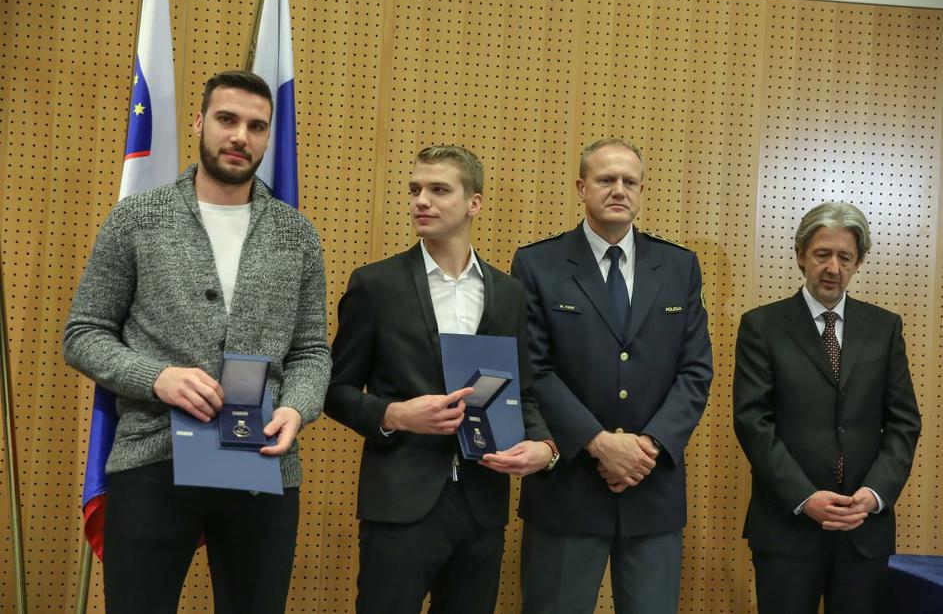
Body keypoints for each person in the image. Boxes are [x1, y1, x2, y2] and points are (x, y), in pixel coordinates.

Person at [63, 70, 330, 614]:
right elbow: (83, 333)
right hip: (152, 456)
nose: (240, 137)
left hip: (263, 461)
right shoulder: (138, 218)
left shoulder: (297, 234)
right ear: (199, 122)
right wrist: (156, 377)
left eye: (257, 126)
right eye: (227, 119)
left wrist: (297, 409)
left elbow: (311, 352)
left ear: (268, 137)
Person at [325, 145, 557, 614]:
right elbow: (335, 391)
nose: (421, 201)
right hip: (400, 505)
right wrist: (394, 414)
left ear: (474, 202)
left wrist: (545, 448)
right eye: (415, 190)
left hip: (482, 505)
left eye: (438, 190)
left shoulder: (509, 293)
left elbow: (523, 391)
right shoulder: (375, 285)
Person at [511, 137, 713, 614]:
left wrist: (648, 447)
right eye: (606, 179)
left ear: (642, 190)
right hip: (568, 487)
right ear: (582, 187)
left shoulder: (679, 266)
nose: (619, 189)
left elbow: (695, 370)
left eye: (629, 181)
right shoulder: (538, 263)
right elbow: (533, 369)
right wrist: (600, 443)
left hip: (651, 486)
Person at [733, 201, 920, 614]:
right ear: (801, 255)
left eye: (845, 257)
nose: (833, 268)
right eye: (822, 254)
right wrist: (804, 497)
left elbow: (904, 423)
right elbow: (752, 422)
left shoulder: (885, 327)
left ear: (858, 262)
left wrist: (874, 494)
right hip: (787, 526)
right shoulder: (761, 326)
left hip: (863, 529)